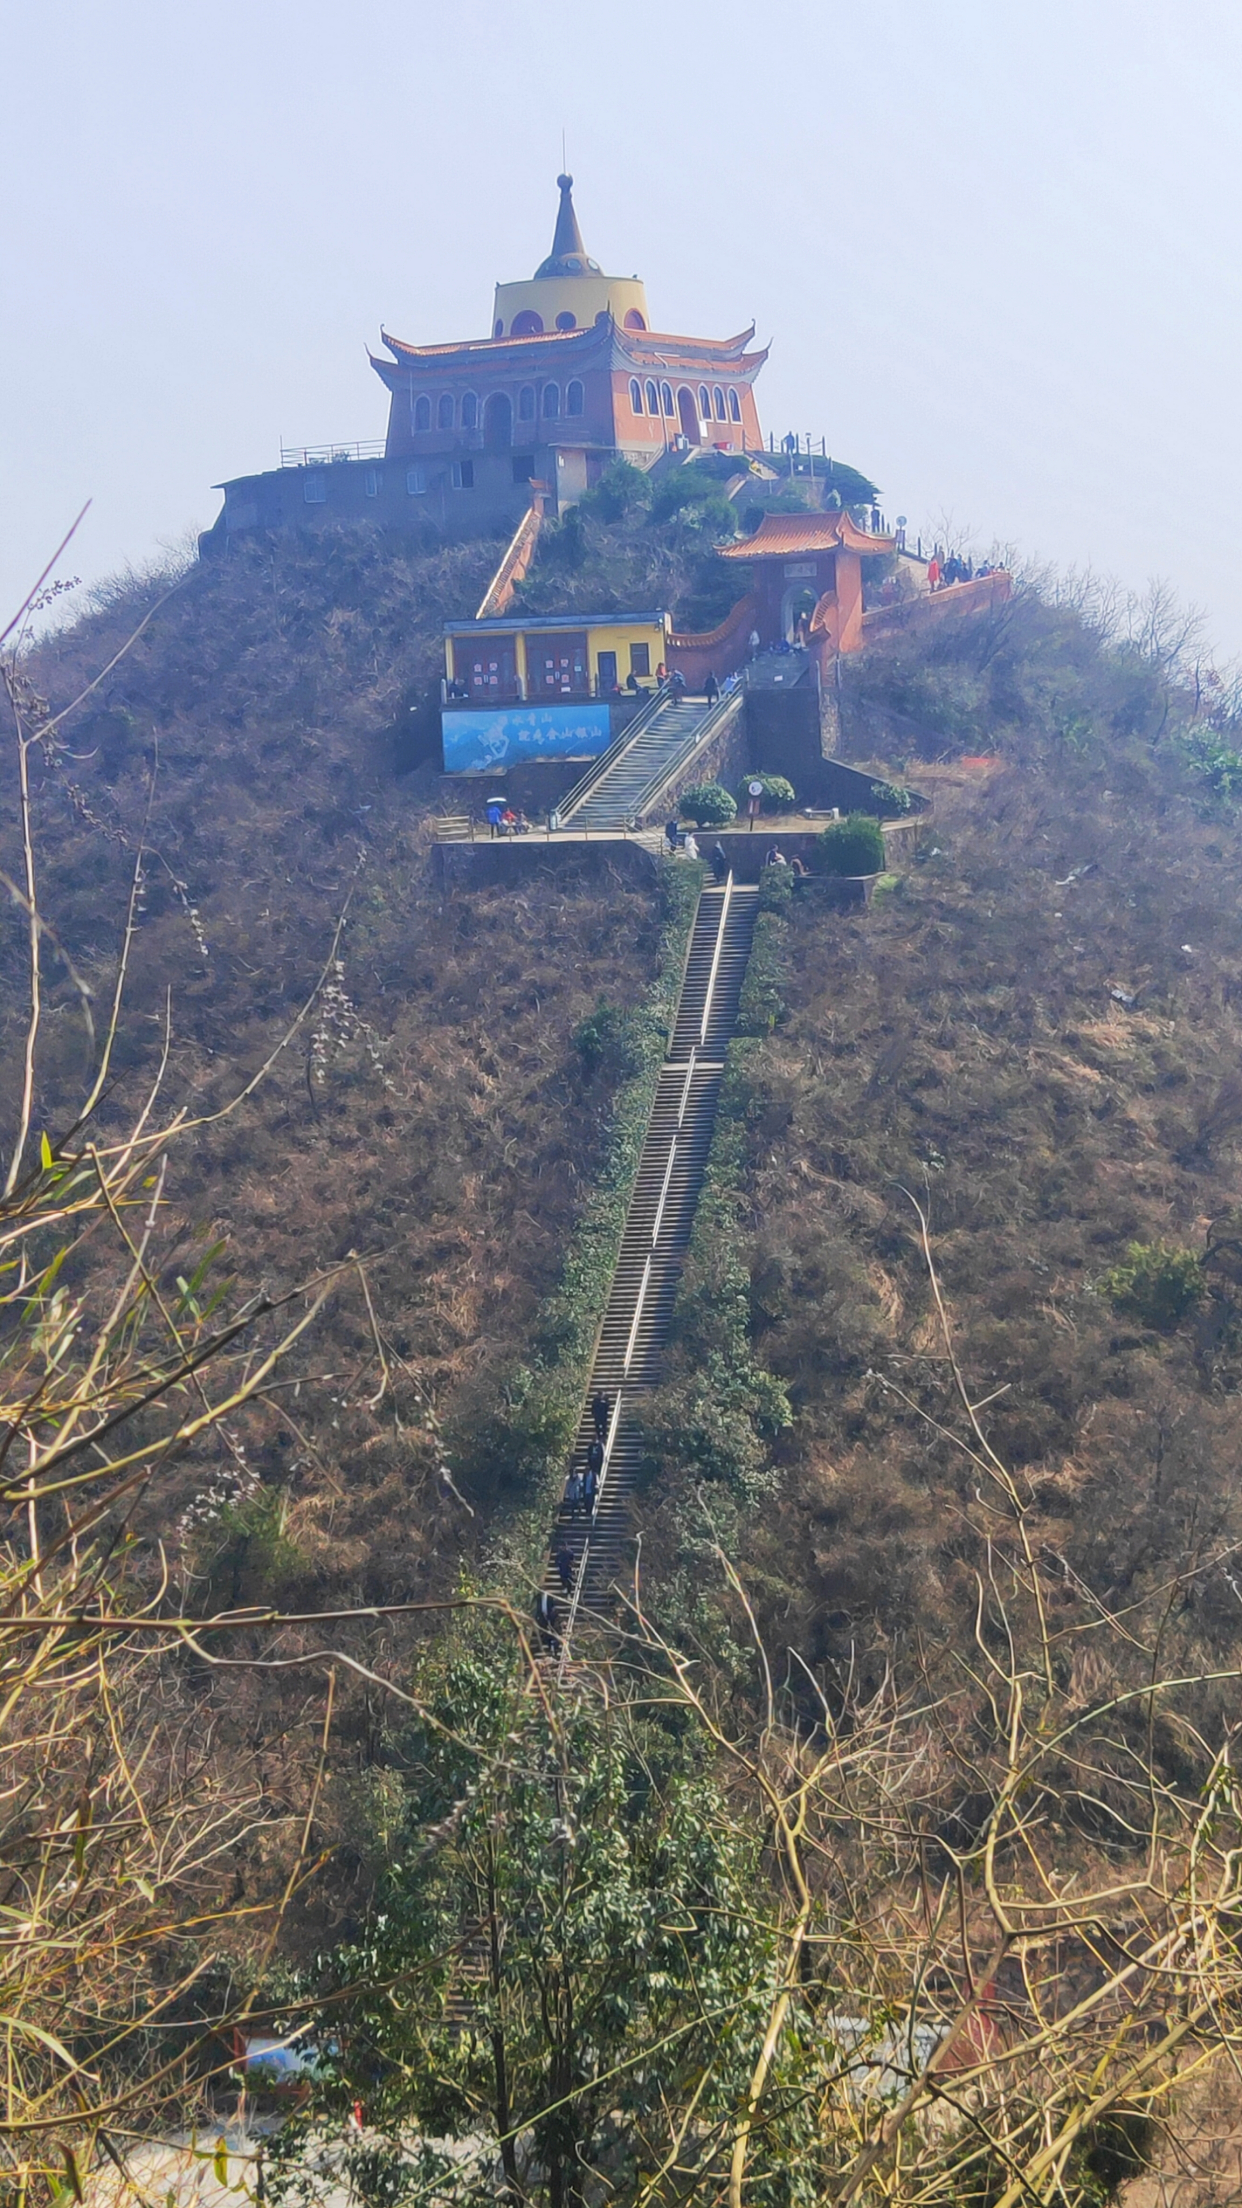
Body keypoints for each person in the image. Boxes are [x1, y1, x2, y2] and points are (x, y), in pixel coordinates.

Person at [534, 1588, 560, 1656]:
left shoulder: (550, 1597)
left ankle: (554, 1647)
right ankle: (550, 1646)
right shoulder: (538, 1597)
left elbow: (553, 1607)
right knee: (545, 1634)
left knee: (553, 1632)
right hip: (543, 1618)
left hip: (550, 1617)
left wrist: (552, 1615)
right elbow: (537, 1608)